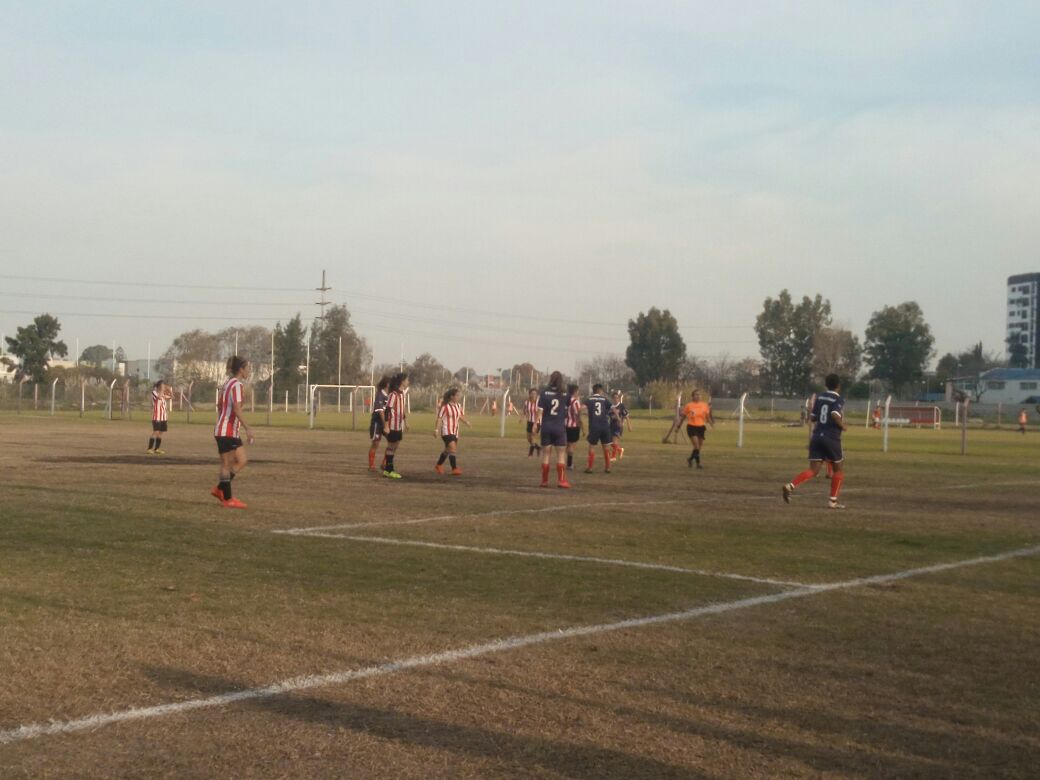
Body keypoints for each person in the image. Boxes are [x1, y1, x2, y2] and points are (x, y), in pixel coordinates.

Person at [782, 373, 847, 509]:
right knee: (838, 469)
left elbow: (812, 418)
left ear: (826, 384)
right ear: (838, 386)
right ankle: (833, 501)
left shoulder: (820, 397)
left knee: (813, 470)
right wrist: (842, 426)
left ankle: (791, 485)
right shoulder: (838, 399)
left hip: (817, 436)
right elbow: (835, 414)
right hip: (831, 437)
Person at [211, 356, 255, 509]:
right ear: (241, 370)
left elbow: (219, 405)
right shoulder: (236, 385)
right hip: (226, 431)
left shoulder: (227, 384)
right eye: (247, 368)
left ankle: (220, 488)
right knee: (226, 464)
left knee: (242, 460)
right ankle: (228, 499)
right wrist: (248, 428)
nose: (249, 370)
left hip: (229, 431)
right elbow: (236, 409)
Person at [537, 371, 571, 488]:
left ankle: (544, 481)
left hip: (546, 426)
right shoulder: (565, 393)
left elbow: (540, 411)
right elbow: (567, 408)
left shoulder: (544, 393)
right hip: (559, 427)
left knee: (546, 454)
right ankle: (561, 481)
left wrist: (536, 424)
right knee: (561, 454)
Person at [435, 387, 470, 475]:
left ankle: (438, 465)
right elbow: (439, 418)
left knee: (448, 450)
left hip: (455, 431)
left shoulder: (458, 406)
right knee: (453, 448)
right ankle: (454, 469)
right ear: (452, 397)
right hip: (446, 431)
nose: (459, 397)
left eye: (459, 395)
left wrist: (466, 422)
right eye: (457, 395)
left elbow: (460, 416)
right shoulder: (445, 407)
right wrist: (436, 429)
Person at [381, 373, 409, 479]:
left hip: (398, 425)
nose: (408, 382)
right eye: (407, 380)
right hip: (392, 425)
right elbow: (387, 410)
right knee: (392, 446)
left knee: (394, 445)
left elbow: (402, 410)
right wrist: (386, 426)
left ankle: (388, 469)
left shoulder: (402, 394)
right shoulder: (394, 394)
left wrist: (406, 422)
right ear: (402, 381)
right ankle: (389, 470)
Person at [680, 389, 714, 469]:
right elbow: (683, 417)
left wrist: (711, 424)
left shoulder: (704, 405)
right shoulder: (689, 405)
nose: (698, 396)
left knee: (699, 447)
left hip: (701, 427)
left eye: (699, 395)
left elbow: (707, 416)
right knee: (696, 445)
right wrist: (678, 426)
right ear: (692, 396)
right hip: (691, 427)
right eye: (696, 395)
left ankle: (690, 459)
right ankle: (698, 464)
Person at [584, 383, 613, 473]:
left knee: (592, 446)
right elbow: (613, 409)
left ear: (593, 391)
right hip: (605, 425)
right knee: (606, 447)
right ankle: (608, 467)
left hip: (594, 426)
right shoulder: (605, 399)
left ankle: (590, 468)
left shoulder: (589, 399)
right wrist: (618, 418)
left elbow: (582, 408)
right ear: (600, 390)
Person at [368, 376, 390, 471]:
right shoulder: (379, 395)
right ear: (387, 384)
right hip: (377, 423)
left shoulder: (389, 395)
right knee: (375, 444)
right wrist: (385, 425)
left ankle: (384, 464)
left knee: (391, 443)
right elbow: (380, 411)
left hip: (385, 423)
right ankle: (371, 466)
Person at [146, 379, 172, 455]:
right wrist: (162, 389)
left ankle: (157, 449)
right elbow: (158, 397)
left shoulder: (163, 394)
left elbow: (171, 397)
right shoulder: (154, 393)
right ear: (159, 386)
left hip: (163, 417)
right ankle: (149, 448)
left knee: (160, 433)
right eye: (163, 385)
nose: (164, 387)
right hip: (156, 417)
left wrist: (169, 390)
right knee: (156, 432)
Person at [564, 383, 583, 471]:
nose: (578, 392)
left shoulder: (566, 400)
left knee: (567, 445)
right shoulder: (575, 402)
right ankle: (569, 464)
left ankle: (565, 462)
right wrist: (582, 427)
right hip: (574, 426)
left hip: (566, 425)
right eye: (578, 391)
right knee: (572, 446)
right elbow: (578, 415)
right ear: (575, 391)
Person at [609, 391, 631, 460]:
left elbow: (626, 416)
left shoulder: (621, 406)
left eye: (617, 398)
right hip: (611, 426)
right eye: (614, 398)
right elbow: (609, 416)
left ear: (618, 399)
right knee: (610, 442)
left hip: (618, 426)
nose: (616, 399)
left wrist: (629, 426)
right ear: (612, 399)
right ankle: (620, 450)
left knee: (615, 440)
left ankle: (613, 457)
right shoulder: (611, 407)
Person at [522, 388, 541, 457]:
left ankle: (530, 454)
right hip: (529, 421)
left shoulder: (539, 402)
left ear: (537, 394)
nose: (533, 395)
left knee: (533, 437)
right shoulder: (527, 402)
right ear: (529, 394)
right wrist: (522, 418)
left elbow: (540, 413)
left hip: (537, 422)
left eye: (535, 393)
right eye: (532, 393)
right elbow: (524, 410)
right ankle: (538, 448)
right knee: (529, 439)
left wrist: (536, 423)